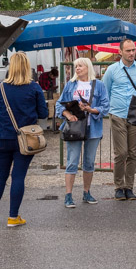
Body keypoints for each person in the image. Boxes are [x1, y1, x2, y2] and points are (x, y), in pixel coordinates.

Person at [0, 52, 47, 227]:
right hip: (25, 139)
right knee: (18, 177)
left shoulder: (1, 87)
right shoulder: (34, 88)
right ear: (27, 67)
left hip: (2, 136)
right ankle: (13, 217)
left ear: (10, 67)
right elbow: (43, 113)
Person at [56, 57, 110, 208]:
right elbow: (59, 105)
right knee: (72, 161)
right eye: (76, 66)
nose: (77, 68)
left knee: (89, 161)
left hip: (93, 128)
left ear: (88, 67)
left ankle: (86, 192)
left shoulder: (99, 85)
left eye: (80, 66)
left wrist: (91, 110)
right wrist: (68, 115)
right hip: (74, 127)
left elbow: (105, 106)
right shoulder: (71, 84)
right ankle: (68, 195)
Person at [101, 38, 136, 201]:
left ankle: (129, 187)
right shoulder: (112, 70)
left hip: (135, 115)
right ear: (120, 52)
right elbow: (105, 91)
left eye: (133, 50)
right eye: (128, 50)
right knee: (121, 153)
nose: (132, 53)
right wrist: (110, 111)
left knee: (132, 153)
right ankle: (118, 186)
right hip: (118, 115)